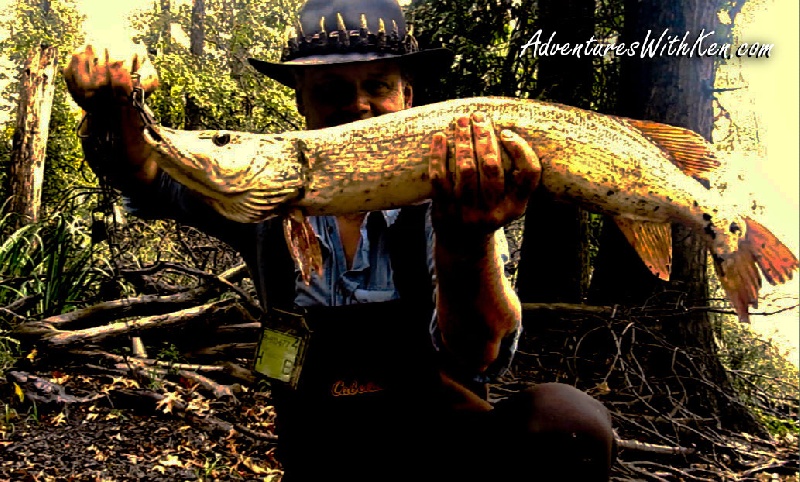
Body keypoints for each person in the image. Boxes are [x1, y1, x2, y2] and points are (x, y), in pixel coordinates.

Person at [64, 0, 616, 480]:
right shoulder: (261, 195)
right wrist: (114, 104)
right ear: (302, 102)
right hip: (318, 451)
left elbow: (480, 354)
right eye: (330, 90)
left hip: (442, 447)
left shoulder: (457, 189)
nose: (356, 105)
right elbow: (141, 172)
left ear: (407, 95)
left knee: (568, 424)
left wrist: (465, 241)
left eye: (377, 85)